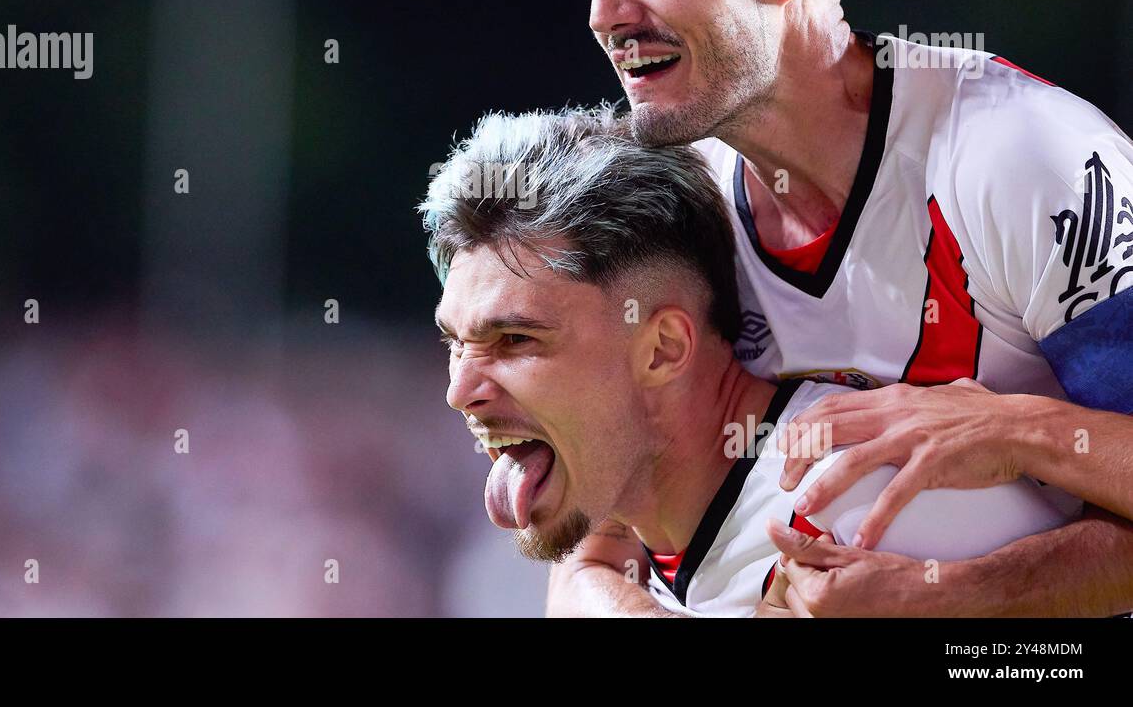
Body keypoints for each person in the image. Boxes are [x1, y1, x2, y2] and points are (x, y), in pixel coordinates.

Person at [525, 0, 1133, 616]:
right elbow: (596, 544)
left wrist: (998, 477)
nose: (603, 11)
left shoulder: (1023, 156)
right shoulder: (677, 195)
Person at [422, 106, 1078, 616]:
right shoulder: (641, 513)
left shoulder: (851, 507)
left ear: (662, 350)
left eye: (516, 341)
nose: (460, 391)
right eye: (455, 342)